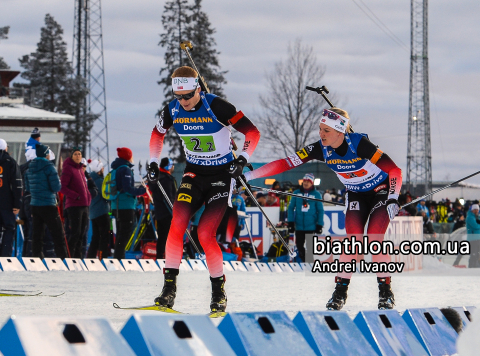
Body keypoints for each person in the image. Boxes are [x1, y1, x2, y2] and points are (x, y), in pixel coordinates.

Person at [241, 107, 402, 310]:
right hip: (356, 194)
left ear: (339, 131)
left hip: (381, 191)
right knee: (353, 243)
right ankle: (340, 293)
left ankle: (385, 293)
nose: (321, 134)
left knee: (374, 239)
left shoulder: (359, 144)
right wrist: (249, 176)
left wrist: (394, 197)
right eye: (320, 129)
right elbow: (285, 163)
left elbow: (394, 170)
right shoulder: (320, 148)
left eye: (326, 130)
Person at [147, 65, 260, 313]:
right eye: (179, 97)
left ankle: (218, 292)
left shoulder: (218, 107)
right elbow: (157, 134)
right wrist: (153, 162)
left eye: (188, 96)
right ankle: (168, 290)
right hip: (194, 173)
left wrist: (242, 159)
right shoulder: (173, 109)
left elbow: (252, 132)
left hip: (221, 176)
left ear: (198, 88)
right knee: (177, 224)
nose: (184, 102)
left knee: (205, 234)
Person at [24, 144, 68, 259]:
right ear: (45, 154)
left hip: (35, 205)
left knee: (37, 234)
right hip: (48, 204)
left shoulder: (29, 169)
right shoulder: (49, 167)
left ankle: (37, 256)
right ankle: (63, 257)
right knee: (57, 234)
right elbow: (56, 187)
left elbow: (28, 188)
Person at [111, 147, 146, 259]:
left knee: (121, 233)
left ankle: (118, 256)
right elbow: (127, 189)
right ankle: (119, 258)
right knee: (125, 232)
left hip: (116, 205)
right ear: (128, 156)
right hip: (125, 206)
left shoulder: (115, 169)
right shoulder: (125, 170)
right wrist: (142, 190)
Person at [60, 147, 91, 258]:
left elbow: (84, 187)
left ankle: (77, 257)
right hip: (74, 205)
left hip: (84, 205)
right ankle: (69, 256)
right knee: (75, 233)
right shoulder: (68, 168)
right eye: (76, 154)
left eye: (79, 154)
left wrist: (88, 196)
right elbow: (62, 187)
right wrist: (75, 196)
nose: (78, 156)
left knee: (82, 234)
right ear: (71, 156)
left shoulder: (80, 169)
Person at [287, 173, 324, 262]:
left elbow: (320, 210)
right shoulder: (296, 193)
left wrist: (320, 224)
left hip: (311, 225)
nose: (306, 183)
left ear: (312, 183)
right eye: (304, 181)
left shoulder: (316, 194)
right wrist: (290, 222)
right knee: (299, 246)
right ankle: (304, 261)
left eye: (308, 182)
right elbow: (291, 208)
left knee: (310, 247)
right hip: (299, 225)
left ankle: (310, 264)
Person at [147, 157, 177, 259]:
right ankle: (170, 258)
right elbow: (169, 197)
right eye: (172, 165)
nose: (173, 167)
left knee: (162, 237)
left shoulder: (158, 179)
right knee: (170, 237)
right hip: (168, 213)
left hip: (160, 213)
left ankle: (160, 256)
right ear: (168, 166)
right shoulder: (166, 179)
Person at [0, 139, 22, 256]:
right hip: (6, 204)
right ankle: (4, 256)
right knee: (9, 228)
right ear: (5, 148)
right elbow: (17, 184)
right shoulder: (10, 162)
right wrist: (17, 204)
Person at [86, 159, 110, 259]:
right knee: (104, 236)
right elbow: (106, 195)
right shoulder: (100, 181)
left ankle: (90, 257)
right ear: (99, 169)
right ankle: (102, 257)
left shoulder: (90, 180)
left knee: (95, 237)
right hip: (101, 212)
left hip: (93, 212)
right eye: (102, 167)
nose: (103, 168)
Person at [466, 204, 480, 268]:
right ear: (472, 210)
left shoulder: (477, 217)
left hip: (477, 238)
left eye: (477, 209)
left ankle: (475, 266)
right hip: (473, 239)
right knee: (473, 254)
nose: (476, 211)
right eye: (475, 209)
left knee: (477, 254)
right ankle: (471, 266)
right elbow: (475, 226)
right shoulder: (470, 217)